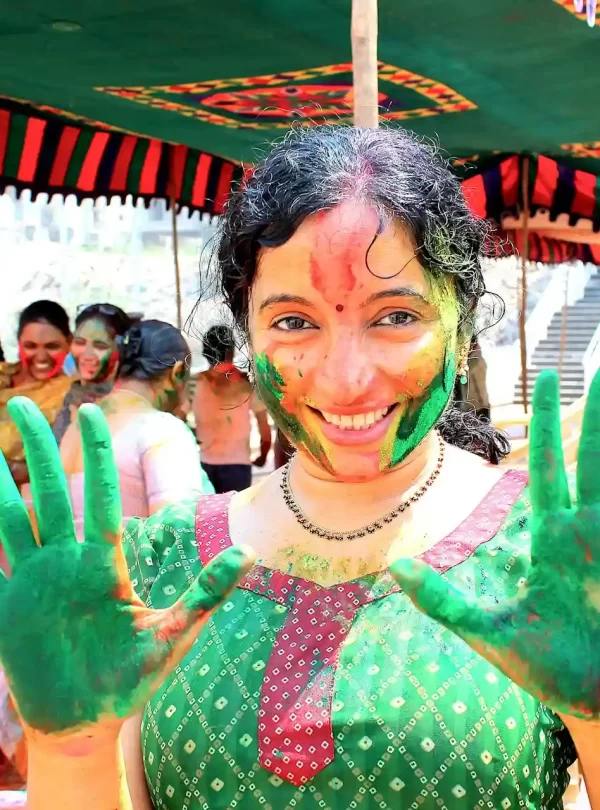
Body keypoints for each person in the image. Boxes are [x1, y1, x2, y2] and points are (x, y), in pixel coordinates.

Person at [0, 126, 598, 810]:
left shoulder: (553, 556)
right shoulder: (157, 565)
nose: (345, 380)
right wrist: (68, 748)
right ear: (249, 337)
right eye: (293, 323)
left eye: (395, 316)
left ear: (462, 331)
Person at [59, 319, 214, 539]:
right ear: (177, 372)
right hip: (131, 573)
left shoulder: (76, 429)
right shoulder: (161, 429)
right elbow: (177, 540)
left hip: (79, 571)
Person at [0, 300, 72, 487]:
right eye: (31, 346)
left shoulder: (71, 394)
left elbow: (59, 461)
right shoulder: (3, 374)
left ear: (69, 342)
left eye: (52, 346)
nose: (41, 357)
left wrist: (18, 470)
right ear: (19, 343)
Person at [193, 324, 272, 492]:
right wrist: (263, 455)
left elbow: (177, 417)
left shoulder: (194, 383)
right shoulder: (245, 384)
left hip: (203, 464)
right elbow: (264, 430)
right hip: (238, 466)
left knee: (205, 516)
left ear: (205, 352)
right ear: (232, 351)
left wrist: (197, 435)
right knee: (234, 515)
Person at [52, 303, 133, 445]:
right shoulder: (71, 398)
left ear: (120, 349)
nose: (87, 354)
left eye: (100, 346)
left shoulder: (128, 403)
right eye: (80, 343)